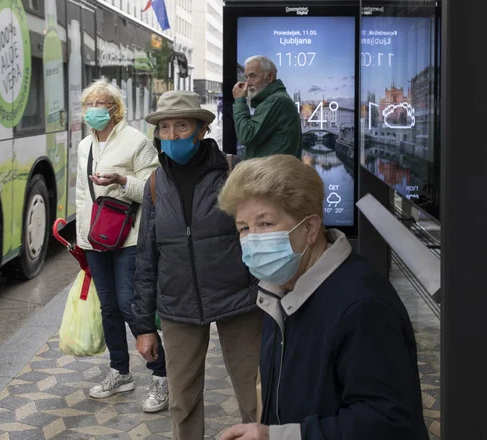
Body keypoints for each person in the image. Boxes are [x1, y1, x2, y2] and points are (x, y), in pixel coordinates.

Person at [217, 155, 430, 440]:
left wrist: (279, 436)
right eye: (244, 228)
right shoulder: (280, 289)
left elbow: (386, 420)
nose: (252, 239)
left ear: (310, 228)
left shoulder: (362, 305)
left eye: (266, 224)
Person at [132, 91, 263, 439]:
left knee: (254, 395)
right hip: (179, 304)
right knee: (182, 400)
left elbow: (260, 233)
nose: (172, 136)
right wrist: (144, 325)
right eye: (165, 128)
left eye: (182, 126)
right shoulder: (156, 183)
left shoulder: (234, 172)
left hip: (239, 299)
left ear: (202, 129)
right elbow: (146, 255)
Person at [75, 79, 168, 413]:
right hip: (95, 240)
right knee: (109, 309)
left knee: (131, 306)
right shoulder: (85, 145)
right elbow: (82, 195)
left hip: (129, 237)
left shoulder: (136, 142)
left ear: (115, 108)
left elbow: (154, 190)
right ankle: (120, 372)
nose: (94, 109)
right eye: (89, 104)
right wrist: (81, 238)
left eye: (101, 103)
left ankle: (161, 375)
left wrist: (121, 181)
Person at [232, 56, 302, 159]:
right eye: (246, 77)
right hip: (272, 172)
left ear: (270, 76)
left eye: (253, 76)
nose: (248, 83)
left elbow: (246, 136)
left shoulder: (276, 100)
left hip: (272, 174)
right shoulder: (276, 99)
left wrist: (239, 101)